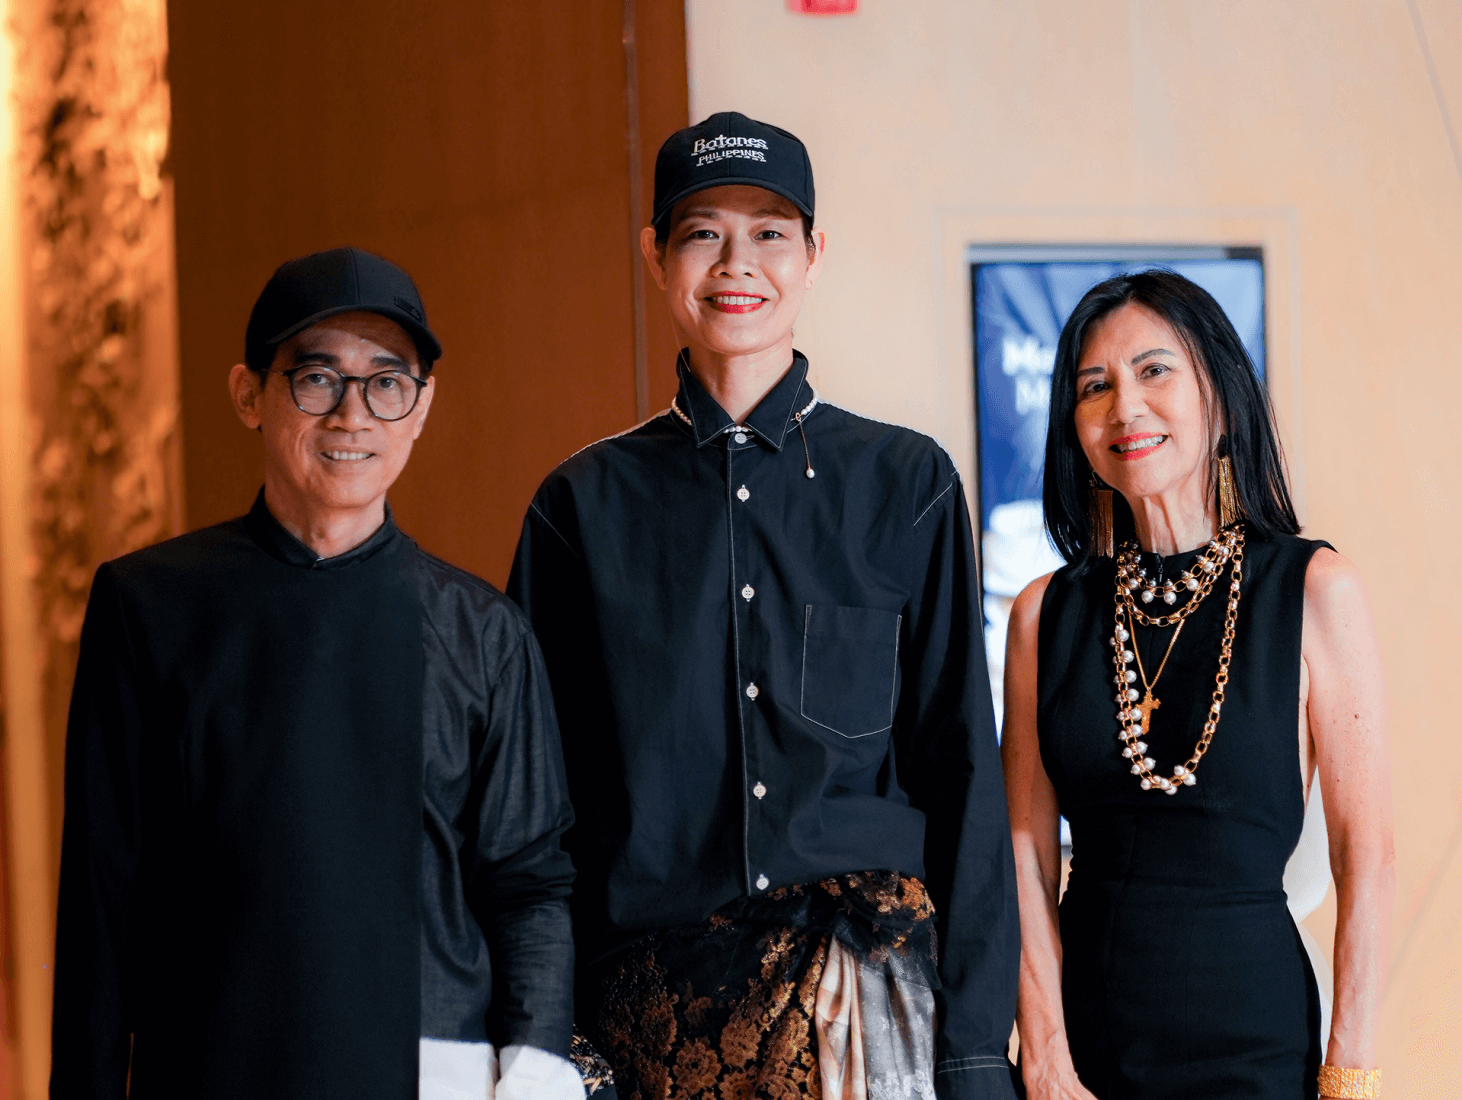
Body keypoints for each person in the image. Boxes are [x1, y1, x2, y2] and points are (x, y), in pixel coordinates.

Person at [508, 113, 1019, 1100]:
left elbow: (963, 774)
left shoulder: (905, 482)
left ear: (813, 254)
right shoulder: (579, 506)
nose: (736, 262)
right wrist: (548, 1044)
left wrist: (973, 1049)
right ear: (656, 255)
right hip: (657, 1024)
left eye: (769, 232)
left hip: (871, 1012)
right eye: (702, 232)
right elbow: (537, 816)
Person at [51, 247, 589, 1100]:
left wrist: (530, 1071)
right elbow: (101, 899)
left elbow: (530, 887)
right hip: (209, 1068)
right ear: (249, 394)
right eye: (315, 379)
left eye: (387, 383)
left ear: (420, 409)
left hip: (431, 1070)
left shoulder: (483, 631)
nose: (353, 416)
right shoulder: (147, 608)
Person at [1000, 270, 1394, 1100]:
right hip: (1086, 1048)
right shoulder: (1047, 613)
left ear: (1219, 396)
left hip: (1255, 1047)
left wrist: (1348, 1074)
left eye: (1154, 371)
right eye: (1094, 387)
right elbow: (1025, 850)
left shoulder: (1315, 589)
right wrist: (1044, 1054)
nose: (1124, 409)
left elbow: (1368, 853)